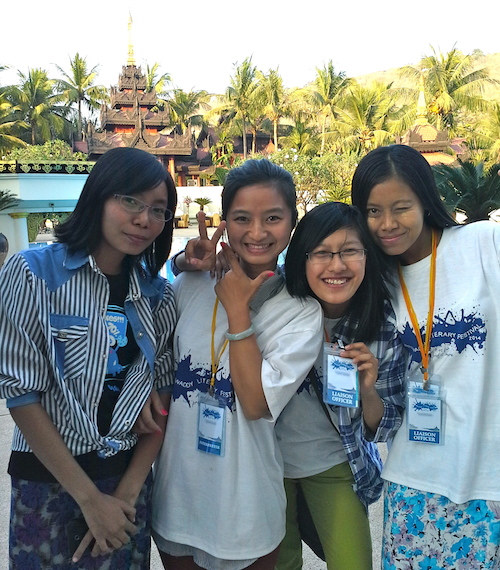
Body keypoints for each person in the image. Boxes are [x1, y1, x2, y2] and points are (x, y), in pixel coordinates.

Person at [0, 147, 177, 569]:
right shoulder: (32, 274)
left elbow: (164, 398)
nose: (144, 220)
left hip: (126, 479)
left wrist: (127, 494)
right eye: (130, 201)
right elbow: (22, 393)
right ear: (98, 196)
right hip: (50, 477)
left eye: (159, 210)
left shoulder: (159, 296)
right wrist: (88, 499)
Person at [151, 159, 324, 570]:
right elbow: (137, 308)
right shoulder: (189, 284)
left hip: (248, 507)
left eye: (273, 218)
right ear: (224, 221)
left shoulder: (300, 311)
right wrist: (179, 262)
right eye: (242, 218)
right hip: (178, 496)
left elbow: (256, 404)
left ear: (292, 223)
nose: (258, 232)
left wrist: (238, 313)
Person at [351, 144, 500, 569]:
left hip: (487, 481)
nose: (388, 224)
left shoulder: (483, 244)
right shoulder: (372, 280)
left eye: (401, 207)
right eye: (373, 211)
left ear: (426, 201)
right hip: (412, 481)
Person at [275, 202, 406, 570]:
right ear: (301, 258)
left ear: (367, 256)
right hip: (268, 466)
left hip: (335, 464)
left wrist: (369, 388)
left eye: (350, 251)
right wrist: (184, 261)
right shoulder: (275, 302)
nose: (337, 266)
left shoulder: (382, 324)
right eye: (321, 253)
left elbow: (382, 427)